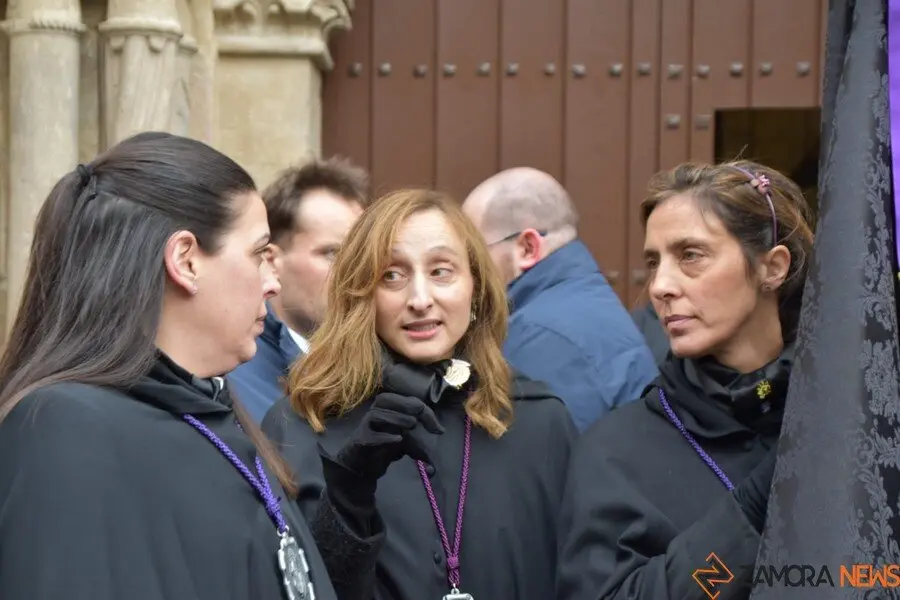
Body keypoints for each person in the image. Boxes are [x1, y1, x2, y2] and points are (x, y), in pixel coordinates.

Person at [0, 132, 379, 600]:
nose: (272, 283)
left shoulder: (209, 410)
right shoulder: (63, 427)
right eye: (260, 253)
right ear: (186, 261)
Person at [262, 188, 577, 600]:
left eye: (441, 271)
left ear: (476, 289)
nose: (420, 299)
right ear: (362, 295)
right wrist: (348, 498)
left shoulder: (538, 420)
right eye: (391, 275)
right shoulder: (301, 423)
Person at [556, 160, 815, 600]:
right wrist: (749, 515)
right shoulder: (616, 450)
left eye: (690, 255)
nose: (659, 286)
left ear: (772, 267)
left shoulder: (851, 421)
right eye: (654, 262)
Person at [463, 167, 658, 431]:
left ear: (527, 248)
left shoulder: (539, 337)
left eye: (474, 254)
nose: (467, 270)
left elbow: (529, 462)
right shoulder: (582, 303)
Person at [229, 157, 369, 422]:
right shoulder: (233, 370)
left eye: (361, 255)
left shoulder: (374, 363)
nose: (355, 272)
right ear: (270, 261)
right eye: (333, 253)